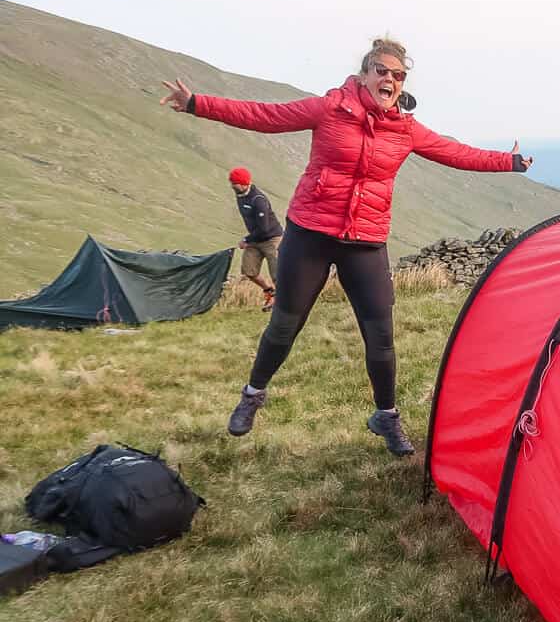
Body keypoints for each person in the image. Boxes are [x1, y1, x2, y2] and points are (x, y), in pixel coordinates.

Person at [160, 37, 532, 456]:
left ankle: (386, 417)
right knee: (285, 323)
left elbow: (456, 152)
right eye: (382, 71)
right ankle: (252, 395)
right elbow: (265, 115)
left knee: (381, 336)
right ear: (365, 74)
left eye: (399, 75)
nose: (390, 79)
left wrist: (509, 162)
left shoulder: (406, 130)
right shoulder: (330, 108)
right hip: (311, 233)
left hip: (366, 241)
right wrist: (197, 104)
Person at [228, 166, 282, 311]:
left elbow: (264, 229)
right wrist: (250, 239)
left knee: (277, 274)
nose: (232, 185)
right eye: (231, 182)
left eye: (235, 183)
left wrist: (246, 240)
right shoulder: (240, 196)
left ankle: (281, 301)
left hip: (272, 238)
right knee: (248, 271)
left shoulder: (258, 200)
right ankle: (269, 291)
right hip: (255, 239)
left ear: (244, 183)